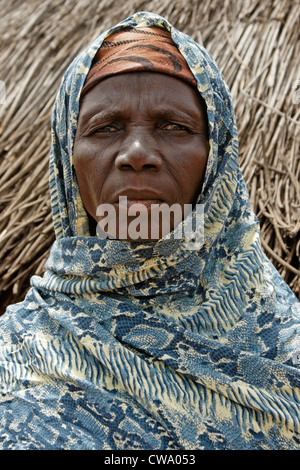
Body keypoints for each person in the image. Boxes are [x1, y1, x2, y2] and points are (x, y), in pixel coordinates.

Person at [0, 11, 299, 451]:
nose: (137, 154)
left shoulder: (284, 349)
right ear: (69, 159)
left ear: (216, 159)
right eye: (105, 128)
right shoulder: (18, 347)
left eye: (174, 127)